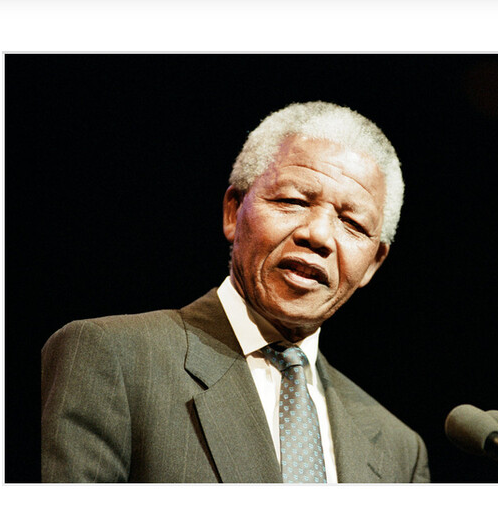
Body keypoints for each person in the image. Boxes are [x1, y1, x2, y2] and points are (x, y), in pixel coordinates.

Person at [41, 100, 430, 483]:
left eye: (352, 223)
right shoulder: (114, 359)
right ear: (233, 211)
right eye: (293, 201)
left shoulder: (400, 452)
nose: (319, 235)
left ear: (374, 263)